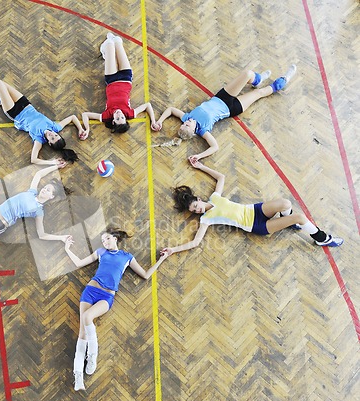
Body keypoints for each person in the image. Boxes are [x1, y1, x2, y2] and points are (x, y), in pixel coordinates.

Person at [161, 158, 343, 257]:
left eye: (195, 206)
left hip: (254, 210)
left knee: (286, 203)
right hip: (256, 226)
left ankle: (291, 224)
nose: (197, 210)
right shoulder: (206, 219)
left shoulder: (215, 197)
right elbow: (195, 242)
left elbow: (221, 178)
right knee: (300, 217)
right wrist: (172, 250)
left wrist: (201, 166)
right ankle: (322, 238)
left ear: (199, 199)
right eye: (194, 211)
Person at [64, 229, 169, 391]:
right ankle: (78, 377)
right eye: (103, 241)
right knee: (82, 333)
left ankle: (92, 355)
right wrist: (67, 249)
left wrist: (162, 259)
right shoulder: (101, 252)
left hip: (106, 297)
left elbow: (146, 275)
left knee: (87, 318)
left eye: (107, 239)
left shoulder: (127, 257)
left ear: (115, 238)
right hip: (90, 291)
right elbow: (79, 263)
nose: (105, 242)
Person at [153, 65, 297, 160]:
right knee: (260, 93)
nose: (187, 122)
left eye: (184, 123)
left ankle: (257, 79)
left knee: (247, 73)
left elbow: (171, 110)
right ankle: (284, 79)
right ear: (193, 131)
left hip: (222, 96)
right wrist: (199, 156)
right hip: (232, 108)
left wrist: (159, 121)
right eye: (188, 125)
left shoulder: (188, 116)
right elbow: (214, 146)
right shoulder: (203, 130)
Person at [0, 74, 85, 165]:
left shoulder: (39, 139)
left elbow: (34, 159)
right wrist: (80, 129)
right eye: (56, 135)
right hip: (25, 104)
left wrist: (52, 162)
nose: (52, 135)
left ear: (49, 143)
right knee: (1, 86)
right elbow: (72, 117)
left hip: (15, 112)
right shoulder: (55, 127)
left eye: (52, 138)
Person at [80, 33, 158, 136]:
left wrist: (87, 129)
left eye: (117, 118)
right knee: (117, 40)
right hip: (126, 77)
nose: (119, 114)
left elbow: (85, 115)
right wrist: (153, 121)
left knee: (109, 43)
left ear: (113, 121)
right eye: (122, 117)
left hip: (111, 79)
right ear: (126, 118)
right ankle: (108, 50)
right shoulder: (130, 113)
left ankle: (105, 51)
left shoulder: (106, 116)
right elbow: (147, 105)